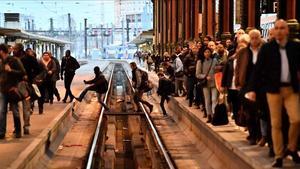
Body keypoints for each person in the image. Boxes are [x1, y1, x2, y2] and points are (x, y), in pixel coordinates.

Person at [247, 20, 300, 168]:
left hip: (291, 89)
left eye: (282, 28)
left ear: (287, 31)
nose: (279, 31)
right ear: (274, 31)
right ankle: (278, 156)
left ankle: (291, 147)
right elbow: (257, 70)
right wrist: (252, 89)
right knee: (275, 124)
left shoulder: (295, 47)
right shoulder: (267, 49)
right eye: (276, 28)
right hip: (273, 90)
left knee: (296, 120)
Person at [0, 43, 26, 139]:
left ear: (2, 51)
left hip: (12, 89)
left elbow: (23, 73)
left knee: (15, 111)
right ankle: (1, 132)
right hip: (2, 90)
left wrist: (11, 71)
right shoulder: (1, 62)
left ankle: (18, 131)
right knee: (2, 111)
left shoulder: (14, 60)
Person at [196, 48, 218, 123]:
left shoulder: (214, 61)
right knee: (207, 100)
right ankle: (209, 115)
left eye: (208, 52)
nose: (207, 53)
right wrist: (205, 76)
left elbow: (218, 70)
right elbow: (197, 74)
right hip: (205, 83)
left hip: (214, 83)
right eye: (205, 52)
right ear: (203, 53)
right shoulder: (200, 62)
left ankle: (214, 115)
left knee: (214, 99)